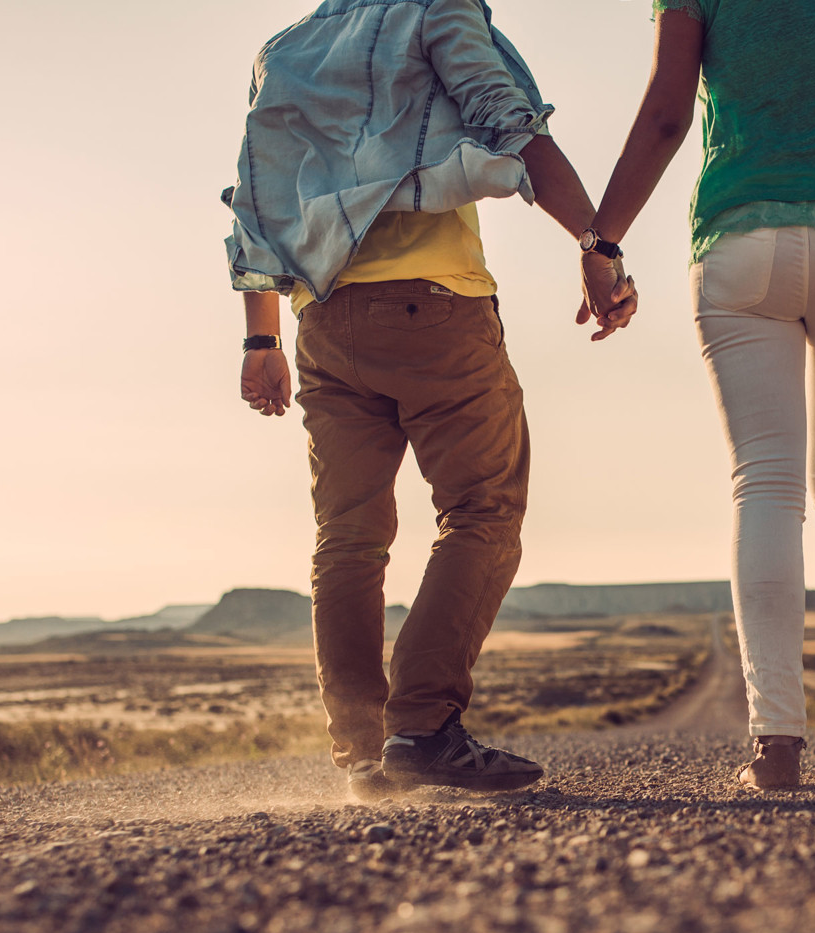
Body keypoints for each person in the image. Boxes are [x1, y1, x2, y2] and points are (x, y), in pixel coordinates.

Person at [224, 0, 635, 801]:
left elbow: (258, 200)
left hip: (324, 324)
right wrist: (598, 248)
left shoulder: (286, 48)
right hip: (434, 308)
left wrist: (260, 340)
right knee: (483, 510)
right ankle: (421, 729)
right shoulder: (437, 11)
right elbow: (513, 128)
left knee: (347, 536)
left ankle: (364, 756)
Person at [590, 0, 815, 789]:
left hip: (740, 238)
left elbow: (666, 114)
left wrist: (602, 241)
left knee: (765, 483)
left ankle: (776, 743)